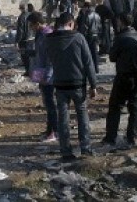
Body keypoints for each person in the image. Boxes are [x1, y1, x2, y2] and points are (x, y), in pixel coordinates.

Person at [45, 12, 97, 162]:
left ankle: (65, 151)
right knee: (82, 115)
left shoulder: (50, 40)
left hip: (60, 84)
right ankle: (85, 148)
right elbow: (88, 62)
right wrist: (93, 84)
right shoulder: (78, 38)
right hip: (78, 83)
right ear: (70, 23)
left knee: (63, 117)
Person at [103, 13, 137, 147]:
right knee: (134, 106)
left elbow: (113, 57)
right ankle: (132, 137)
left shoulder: (120, 38)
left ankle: (111, 137)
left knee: (115, 106)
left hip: (123, 74)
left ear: (121, 22)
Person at [27, 12, 56, 142]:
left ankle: (53, 132)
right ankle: (49, 129)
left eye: (31, 26)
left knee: (51, 105)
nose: (31, 28)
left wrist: (47, 77)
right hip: (43, 73)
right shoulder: (41, 34)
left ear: (37, 24)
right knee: (47, 103)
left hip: (48, 76)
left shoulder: (47, 35)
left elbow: (50, 58)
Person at [76, 1, 101, 73]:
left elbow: (84, 27)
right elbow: (100, 26)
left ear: (86, 7)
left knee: (87, 52)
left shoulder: (86, 15)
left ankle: (89, 69)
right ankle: (96, 68)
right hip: (96, 35)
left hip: (89, 36)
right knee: (95, 52)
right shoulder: (97, 15)